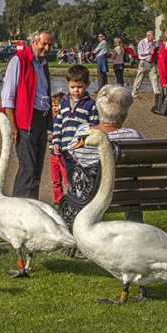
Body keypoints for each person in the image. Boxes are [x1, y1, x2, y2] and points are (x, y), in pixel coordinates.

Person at [71, 84, 143, 222]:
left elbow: (74, 156)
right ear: (122, 116)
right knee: (131, 188)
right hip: (123, 193)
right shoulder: (133, 136)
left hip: (89, 193)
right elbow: (144, 164)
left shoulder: (83, 132)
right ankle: (135, 224)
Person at [0, 29, 54, 199]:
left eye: (49, 45)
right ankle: (18, 207)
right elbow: (8, 96)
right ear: (34, 42)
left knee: (37, 169)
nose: (46, 48)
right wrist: (13, 126)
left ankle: (32, 205)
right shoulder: (19, 60)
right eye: (44, 43)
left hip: (41, 118)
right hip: (25, 121)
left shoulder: (43, 64)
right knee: (28, 168)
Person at [52, 64, 99, 180]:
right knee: (70, 178)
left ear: (87, 84)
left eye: (79, 87)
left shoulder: (90, 104)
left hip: (82, 150)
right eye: (72, 87)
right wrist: (56, 142)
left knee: (83, 178)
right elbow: (58, 124)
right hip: (66, 148)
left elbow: (94, 127)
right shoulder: (63, 102)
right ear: (67, 84)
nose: (76, 91)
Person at [48, 92, 68, 204]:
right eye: (53, 106)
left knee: (67, 178)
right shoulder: (50, 120)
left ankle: (70, 197)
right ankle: (58, 199)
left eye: (57, 106)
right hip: (53, 153)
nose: (55, 108)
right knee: (55, 179)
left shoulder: (64, 119)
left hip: (63, 152)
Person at [131, 30, 159, 98]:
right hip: (144, 62)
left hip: (151, 63)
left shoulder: (153, 43)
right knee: (139, 78)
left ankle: (157, 93)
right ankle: (134, 93)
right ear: (148, 35)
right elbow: (140, 53)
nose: (153, 37)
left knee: (154, 78)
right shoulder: (142, 42)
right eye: (152, 35)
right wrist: (148, 52)